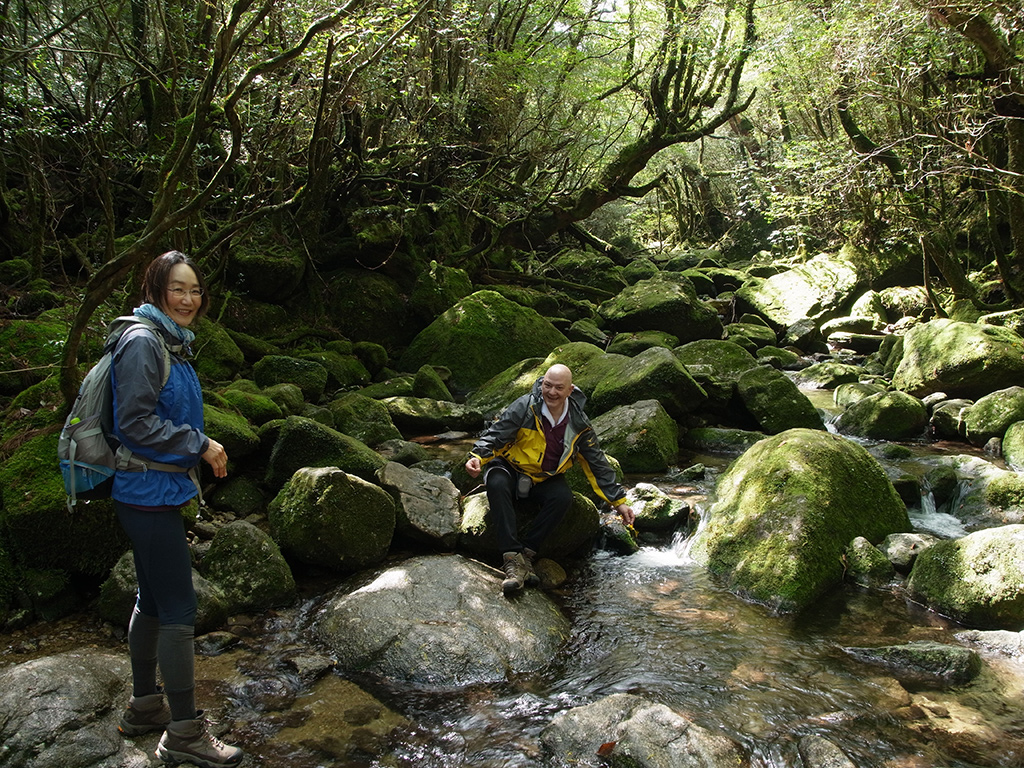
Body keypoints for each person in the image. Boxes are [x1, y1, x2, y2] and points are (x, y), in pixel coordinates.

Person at [112, 251, 243, 768]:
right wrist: (200, 445)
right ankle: (184, 734)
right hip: (146, 493)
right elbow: (135, 424)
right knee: (180, 611)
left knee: (152, 598)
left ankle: (146, 706)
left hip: (151, 490)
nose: (189, 300)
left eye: (195, 291)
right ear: (155, 290)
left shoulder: (168, 341)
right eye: (178, 289)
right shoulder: (145, 343)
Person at [465, 363, 634, 595]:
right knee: (496, 482)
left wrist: (619, 502)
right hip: (510, 468)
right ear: (542, 383)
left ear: (569, 390)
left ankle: (527, 554)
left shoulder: (578, 423)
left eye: (558, 388)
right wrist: (477, 457)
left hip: (544, 478)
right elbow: (496, 435)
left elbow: (596, 462)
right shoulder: (525, 407)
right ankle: (512, 559)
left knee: (563, 497)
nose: (551, 392)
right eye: (547, 385)